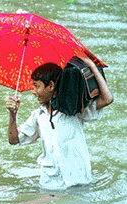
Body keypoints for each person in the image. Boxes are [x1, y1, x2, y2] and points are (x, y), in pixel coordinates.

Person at [6, 56, 113, 190]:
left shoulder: (74, 110)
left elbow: (107, 99)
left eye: (36, 86)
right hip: (49, 184)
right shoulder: (38, 116)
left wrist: (91, 66)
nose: (33, 92)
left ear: (50, 86)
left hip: (78, 182)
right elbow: (13, 140)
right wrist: (12, 114)